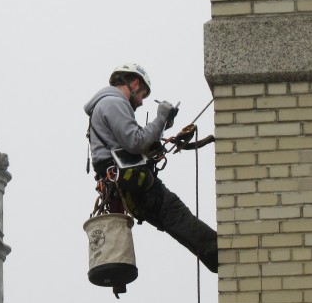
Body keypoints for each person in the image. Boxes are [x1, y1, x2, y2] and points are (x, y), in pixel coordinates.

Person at [84, 63, 218, 273]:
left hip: (127, 184)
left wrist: (163, 125)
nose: (141, 101)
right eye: (143, 94)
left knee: (172, 221)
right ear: (135, 83)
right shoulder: (113, 103)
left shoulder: (108, 104)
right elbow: (137, 142)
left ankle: (217, 259)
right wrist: (160, 117)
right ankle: (224, 254)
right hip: (132, 183)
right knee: (176, 214)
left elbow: (139, 144)